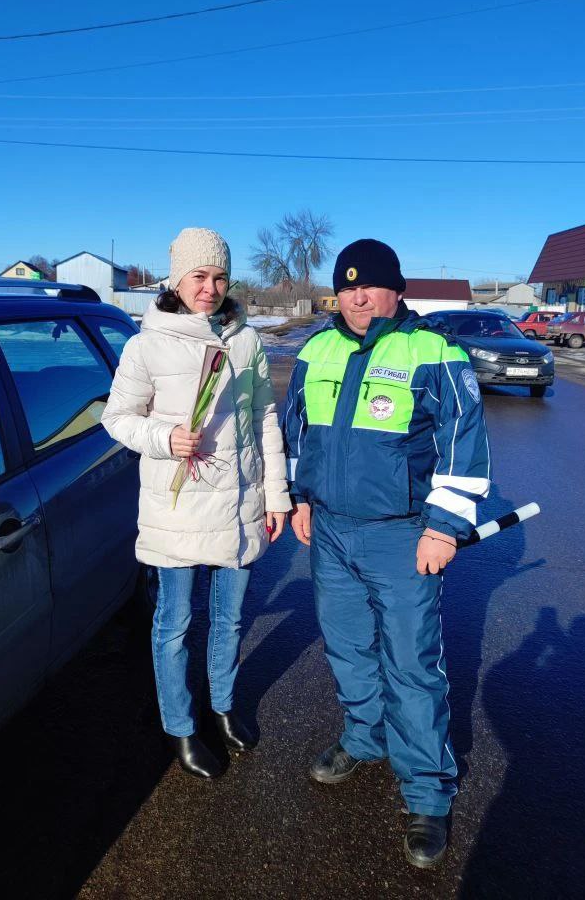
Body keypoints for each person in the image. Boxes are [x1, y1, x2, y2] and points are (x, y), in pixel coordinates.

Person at [281, 239, 491, 868]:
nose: (358, 297)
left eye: (369, 285)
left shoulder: (434, 351)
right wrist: (300, 497)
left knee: (411, 662)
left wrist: (444, 527)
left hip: (402, 533)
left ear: (396, 290)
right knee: (347, 646)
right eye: (348, 287)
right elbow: (299, 432)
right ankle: (364, 737)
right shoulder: (315, 349)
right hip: (332, 530)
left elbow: (463, 440)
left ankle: (426, 791)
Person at [102, 227, 291, 779]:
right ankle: (180, 726)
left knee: (229, 620)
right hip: (178, 508)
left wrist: (276, 494)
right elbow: (117, 418)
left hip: (239, 502)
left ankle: (223, 707)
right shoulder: (146, 344)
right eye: (199, 276)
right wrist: (164, 438)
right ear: (177, 279)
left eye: (219, 277)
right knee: (175, 623)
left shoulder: (246, 341)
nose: (210, 288)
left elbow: (264, 418)